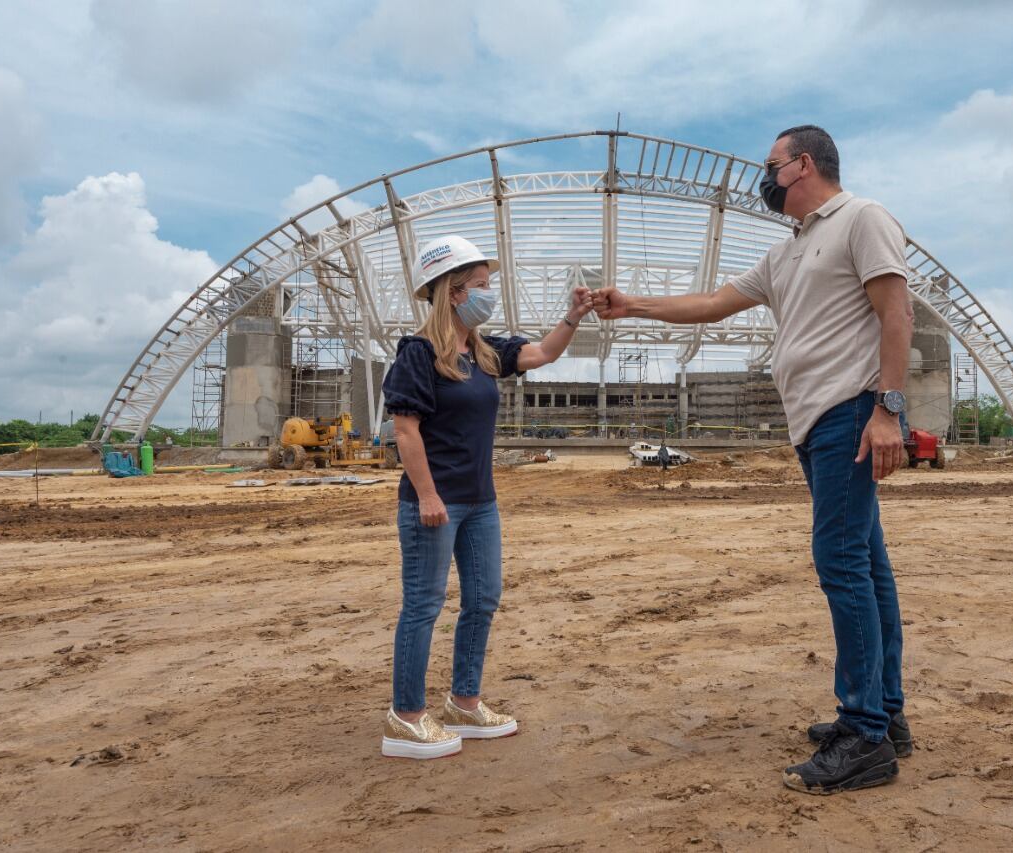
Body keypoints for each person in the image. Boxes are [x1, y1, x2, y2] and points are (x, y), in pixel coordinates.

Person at [593, 125, 915, 795]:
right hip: (818, 424)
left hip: (849, 412)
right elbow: (713, 303)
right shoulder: (787, 252)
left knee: (841, 561)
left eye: (769, 166)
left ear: (801, 166)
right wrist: (633, 306)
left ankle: (864, 735)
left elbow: (896, 310)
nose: (762, 179)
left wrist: (889, 408)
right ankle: (883, 715)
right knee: (867, 562)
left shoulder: (862, 218)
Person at [380, 235, 594, 759]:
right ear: (452, 293)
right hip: (435, 502)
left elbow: (541, 353)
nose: (488, 293)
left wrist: (573, 315)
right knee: (424, 606)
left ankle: (464, 703)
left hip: (480, 501)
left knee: (482, 600)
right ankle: (405, 718)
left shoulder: (482, 351)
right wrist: (428, 496)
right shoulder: (418, 353)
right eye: (480, 285)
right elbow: (405, 431)